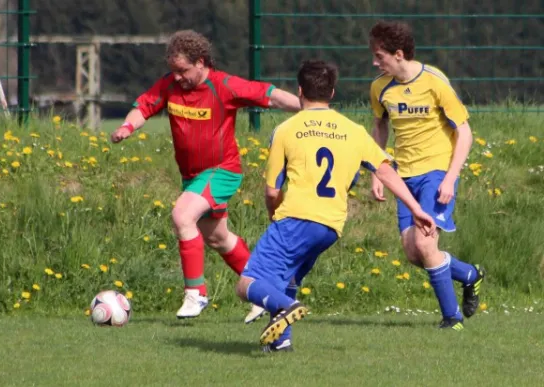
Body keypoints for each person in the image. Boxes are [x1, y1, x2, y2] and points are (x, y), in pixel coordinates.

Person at [235, 59, 437, 352]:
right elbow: (385, 170)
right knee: (287, 276)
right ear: (331, 93)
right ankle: (281, 343)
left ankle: (286, 306)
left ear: (300, 90)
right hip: (330, 226)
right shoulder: (353, 130)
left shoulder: (287, 129)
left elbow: (271, 190)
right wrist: (417, 209)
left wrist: (274, 214)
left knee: (247, 284)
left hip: (296, 217)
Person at [110, 30, 301, 321]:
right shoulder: (169, 85)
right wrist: (127, 127)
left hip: (222, 172)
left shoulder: (223, 86)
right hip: (193, 177)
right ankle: (266, 290)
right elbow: (144, 106)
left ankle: (196, 292)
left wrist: (310, 109)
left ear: (200, 62)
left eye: (183, 70)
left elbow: (269, 95)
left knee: (182, 216)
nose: (177, 77)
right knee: (219, 239)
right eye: (173, 71)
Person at [368, 20, 485, 330]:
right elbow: (380, 127)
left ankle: (452, 318)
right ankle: (470, 275)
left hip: (436, 173)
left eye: (379, 56)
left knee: (424, 244)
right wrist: (377, 173)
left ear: (398, 54)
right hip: (402, 176)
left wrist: (450, 178)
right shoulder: (380, 88)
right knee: (414, 253)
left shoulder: (435, 81)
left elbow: (465, 132)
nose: (374, 62)